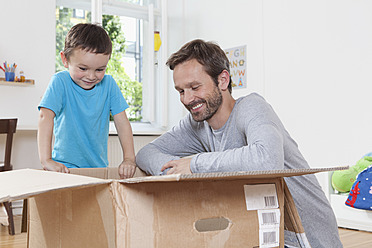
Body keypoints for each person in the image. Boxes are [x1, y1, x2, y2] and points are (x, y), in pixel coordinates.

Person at [136, 39, 343, 247]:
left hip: (306, 237)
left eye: (194, 87)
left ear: (223, 80)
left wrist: (193, 165)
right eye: (181, 91)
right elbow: (146, 153)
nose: (187, 99)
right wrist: (176, 172)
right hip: (260, 233)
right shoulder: (195, 125)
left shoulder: (252, 108)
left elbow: (267, 160)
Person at [38, 23, 136, 179]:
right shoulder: (60, 82)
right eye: (83, 69)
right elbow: (45, 117)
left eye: (99, 70)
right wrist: (46, 160)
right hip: (64, 168)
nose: (91, 76)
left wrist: (129, 159)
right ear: (65, 59)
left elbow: (122, 123)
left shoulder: (109, 85)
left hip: (98, 168)